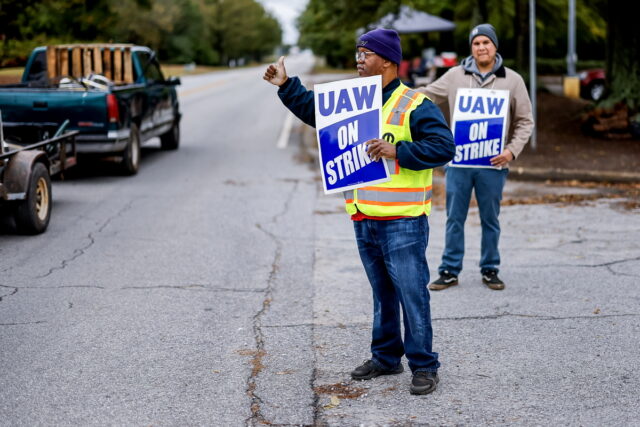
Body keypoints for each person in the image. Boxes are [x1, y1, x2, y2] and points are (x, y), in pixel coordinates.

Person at [263, 28, 455, 395]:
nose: (358, 59)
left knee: (412, 294)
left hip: (403, 221)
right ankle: (385, 357)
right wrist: (286, 85)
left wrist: (397, 151)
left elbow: (444, 146)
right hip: (364, 216)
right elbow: (317, 113)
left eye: (365, 54)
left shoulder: (415, 104)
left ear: (386, 60)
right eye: (357, 53)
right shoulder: (354, 100)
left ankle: (424, 365)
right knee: (383, 294)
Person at [416, 24, 534, 291]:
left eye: (486, 42)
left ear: (495, 46)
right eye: (476, 43)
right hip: (459, 162)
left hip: (493, 164)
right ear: (471, 48)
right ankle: (449, 269)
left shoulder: (512, 80)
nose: (482, 47)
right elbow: (428, 95)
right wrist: (400, 94)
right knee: (454, 217)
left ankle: (490, 268)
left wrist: (511, 150)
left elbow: (526, 121)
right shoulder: (455, 76)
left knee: (490, 219)